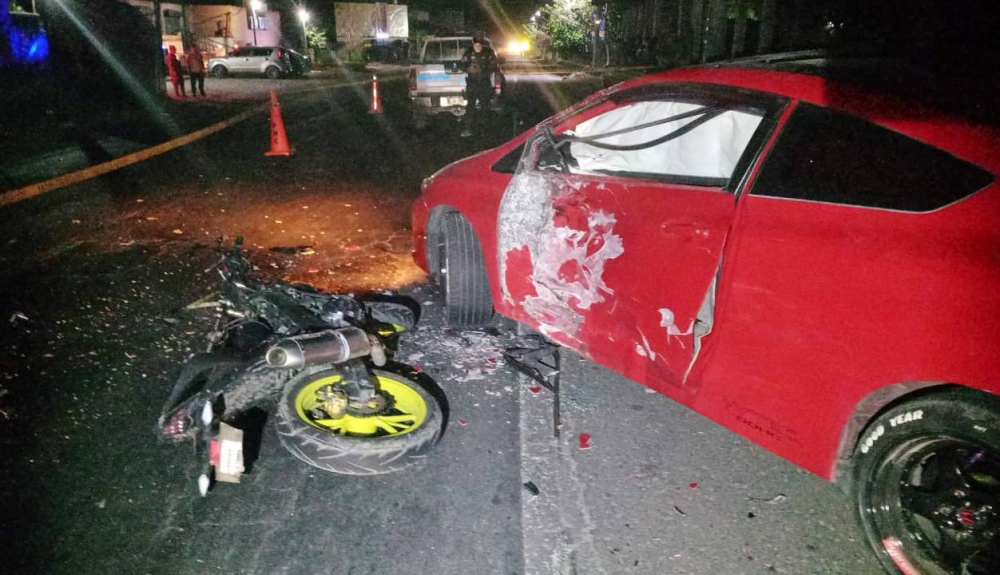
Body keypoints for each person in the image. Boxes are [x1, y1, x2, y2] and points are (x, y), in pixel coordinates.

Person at [459, 35, 497, 138]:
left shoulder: (488, 52)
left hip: (484, 83)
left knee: (485, 107)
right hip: (472, 83)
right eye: (476, 45)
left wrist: (482, 70)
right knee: (470, 107)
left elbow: (493, 65)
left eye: (479, 45)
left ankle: (485, 131)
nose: (478, 47)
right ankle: (468, 129)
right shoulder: (469, 52)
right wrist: (468, 68)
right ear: (473, 44)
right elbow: (462, 65)